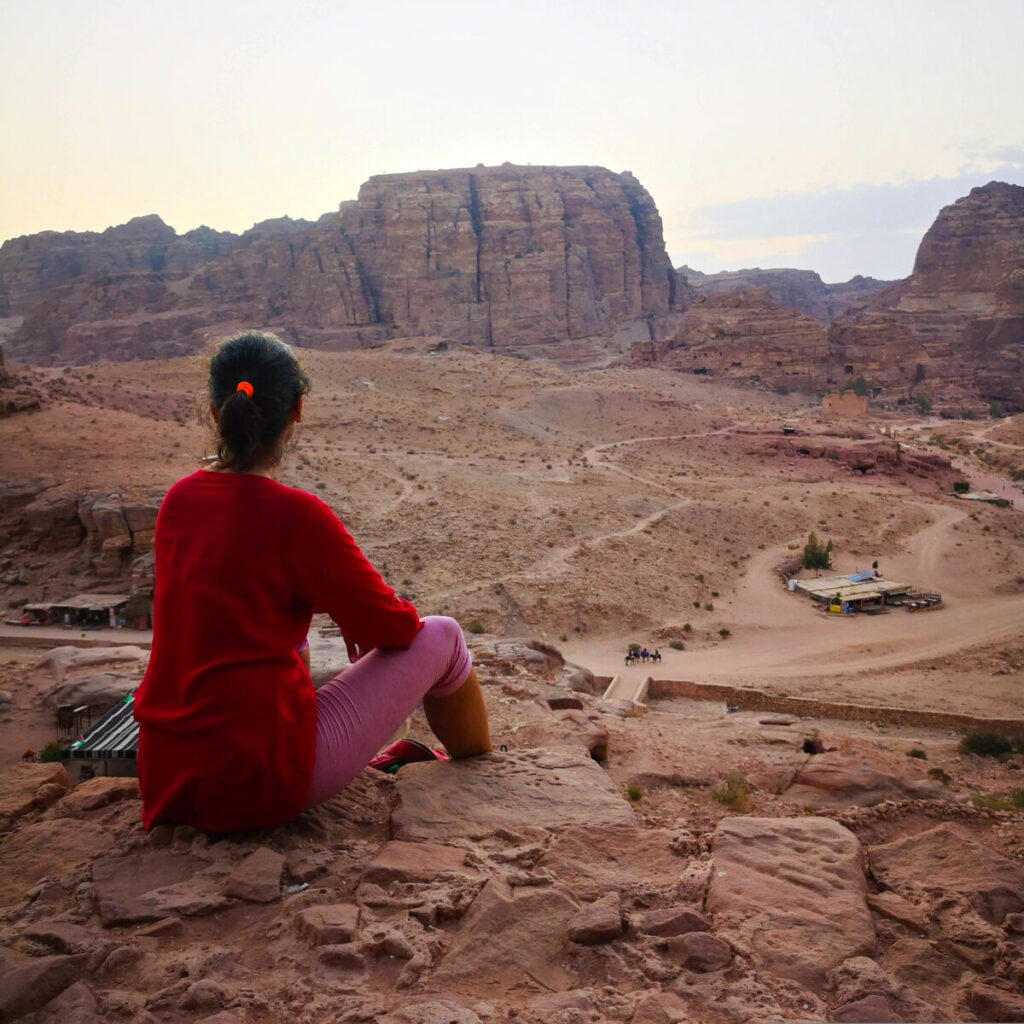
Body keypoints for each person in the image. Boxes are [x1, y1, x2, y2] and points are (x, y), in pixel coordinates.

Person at [133, 331, 491, 832]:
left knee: (293, 636)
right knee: (445, 636)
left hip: (168, 775)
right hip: (257, 782)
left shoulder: (177, 501)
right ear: (297, 411)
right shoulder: (296, 517)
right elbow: (398, 628)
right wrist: (343, 603)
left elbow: (233, 600)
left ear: (215, 412)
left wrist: (317, 600)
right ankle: (483, 772)